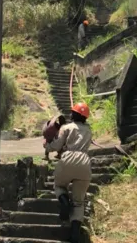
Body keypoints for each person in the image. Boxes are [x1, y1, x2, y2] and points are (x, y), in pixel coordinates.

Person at [44, 102, 92, 243]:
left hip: (68, 158)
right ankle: (75, 233)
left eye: (72, 112)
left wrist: (47, 145)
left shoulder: (66, 127)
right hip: (84, 161)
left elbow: (57, 145)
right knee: (78, 202)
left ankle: (64, 200)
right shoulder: (89, 130)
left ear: (74, 115)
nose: (70, 114)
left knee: (59, 185)